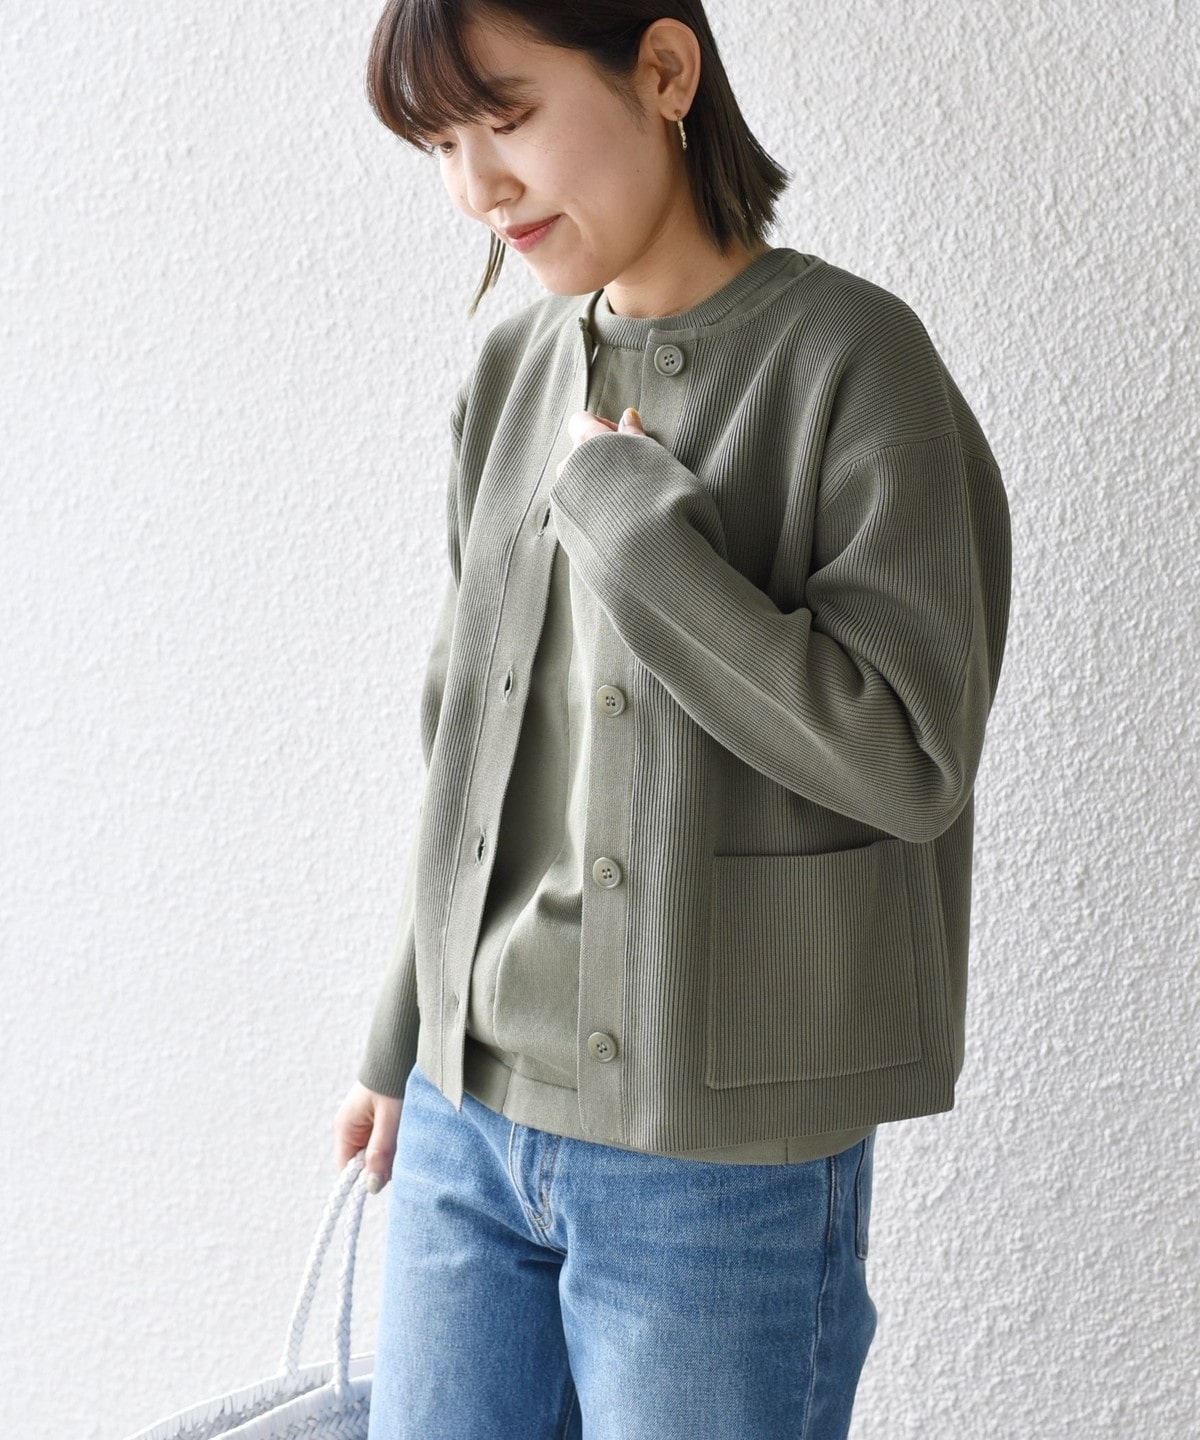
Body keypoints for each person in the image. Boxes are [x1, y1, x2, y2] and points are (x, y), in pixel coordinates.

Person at [333, 2, 1012, 1436]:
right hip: (465, 1120)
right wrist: (401, 1038)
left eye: (505, 117)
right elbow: (466, 747)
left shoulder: (853, 363)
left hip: (717, 1166)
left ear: (662, 70)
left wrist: (641, 540)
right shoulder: (512, 372)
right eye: (440, 145)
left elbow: (908, 760)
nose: (476, 187)